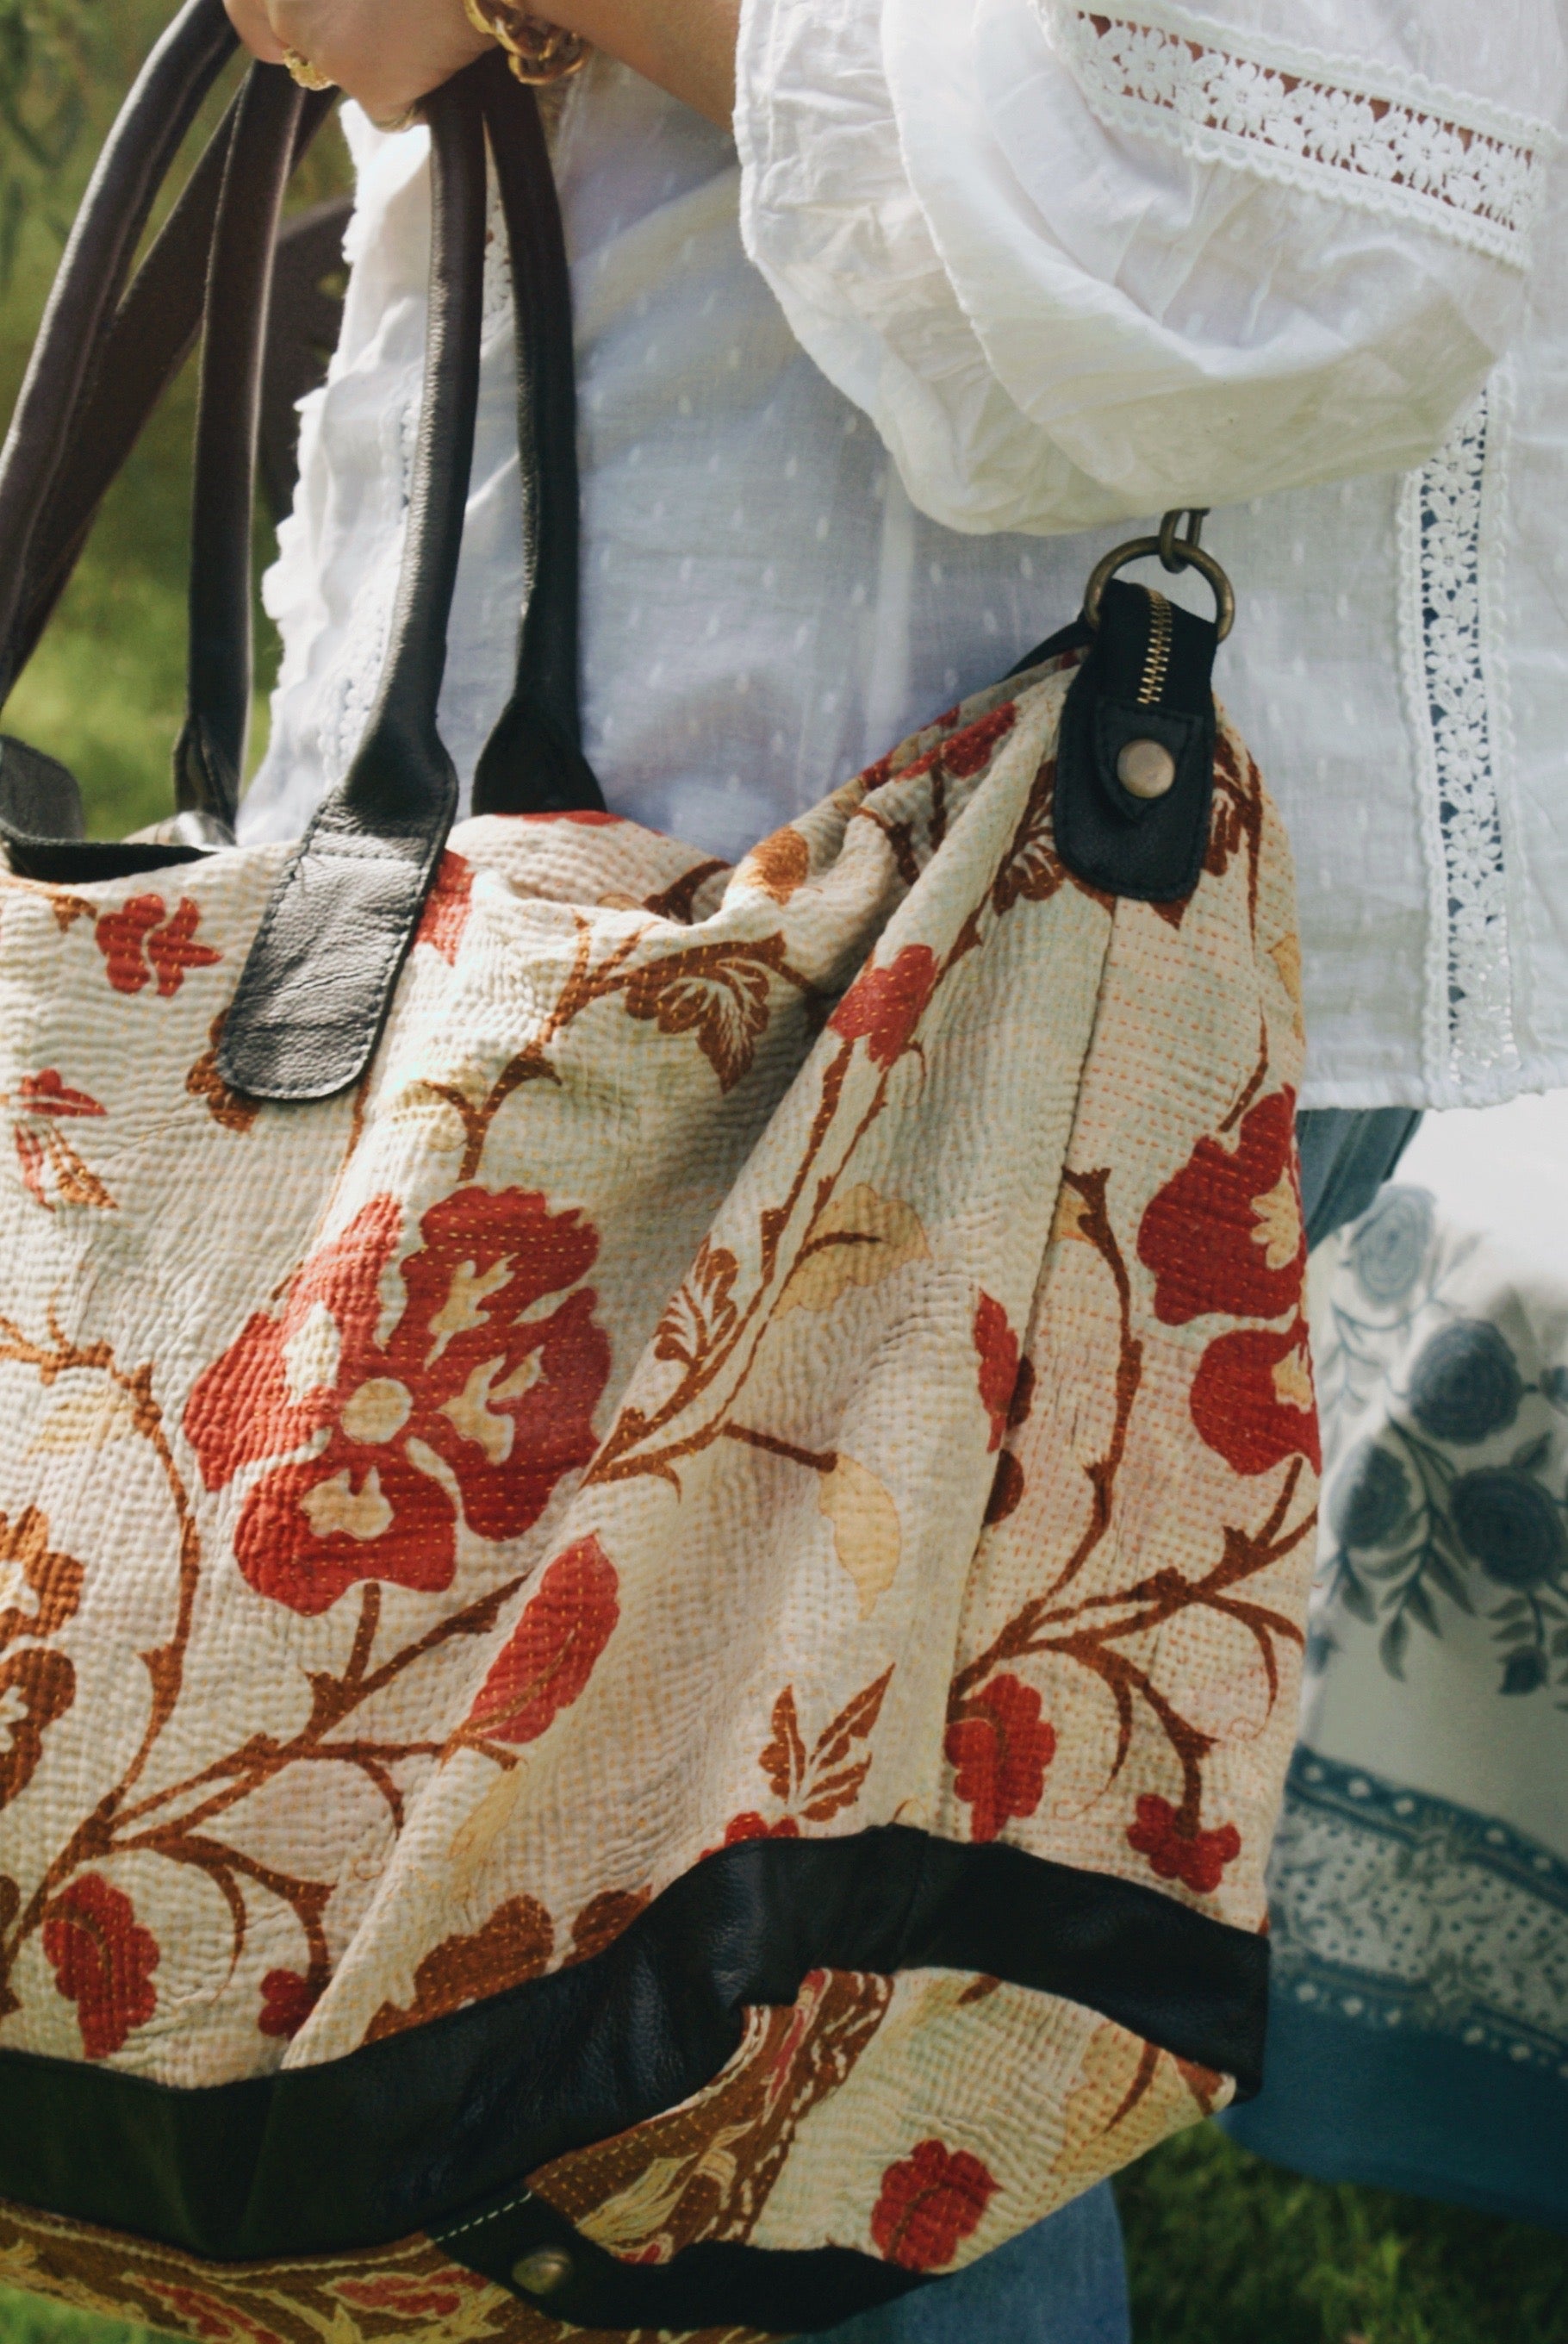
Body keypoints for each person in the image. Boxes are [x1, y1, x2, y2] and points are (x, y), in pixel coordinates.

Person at [218, 0, 1568, 2332]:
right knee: (657, 2007)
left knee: (773, 2050)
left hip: (982, 920)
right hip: (601, 838)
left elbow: (1306, 225)